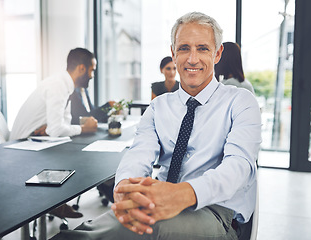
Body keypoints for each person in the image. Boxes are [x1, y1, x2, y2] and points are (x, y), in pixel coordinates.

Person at [51, 12, 261, 240]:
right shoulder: (158, 107)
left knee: (140, 227)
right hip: (157, 203)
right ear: (173, 53)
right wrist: (124, 187)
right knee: (121, 221)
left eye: (202, 48)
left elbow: (239, 167)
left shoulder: (240, 102)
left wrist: (183, 194)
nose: (192, 59)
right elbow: (138, 154)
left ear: (217, 53)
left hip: (215, 212)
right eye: (183, 49)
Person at [10, 47, 99, 219]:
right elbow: (57, 129)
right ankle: (53, 202)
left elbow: (60, 125)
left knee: (70, 149)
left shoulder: (65, 85)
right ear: (81, 68)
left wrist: (52, 128)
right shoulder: (57, 86)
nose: (92, 75)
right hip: (22, 144)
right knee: (72, 154)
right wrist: (83, 128)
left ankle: (56, 202)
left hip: (36, 139)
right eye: (92, 70)